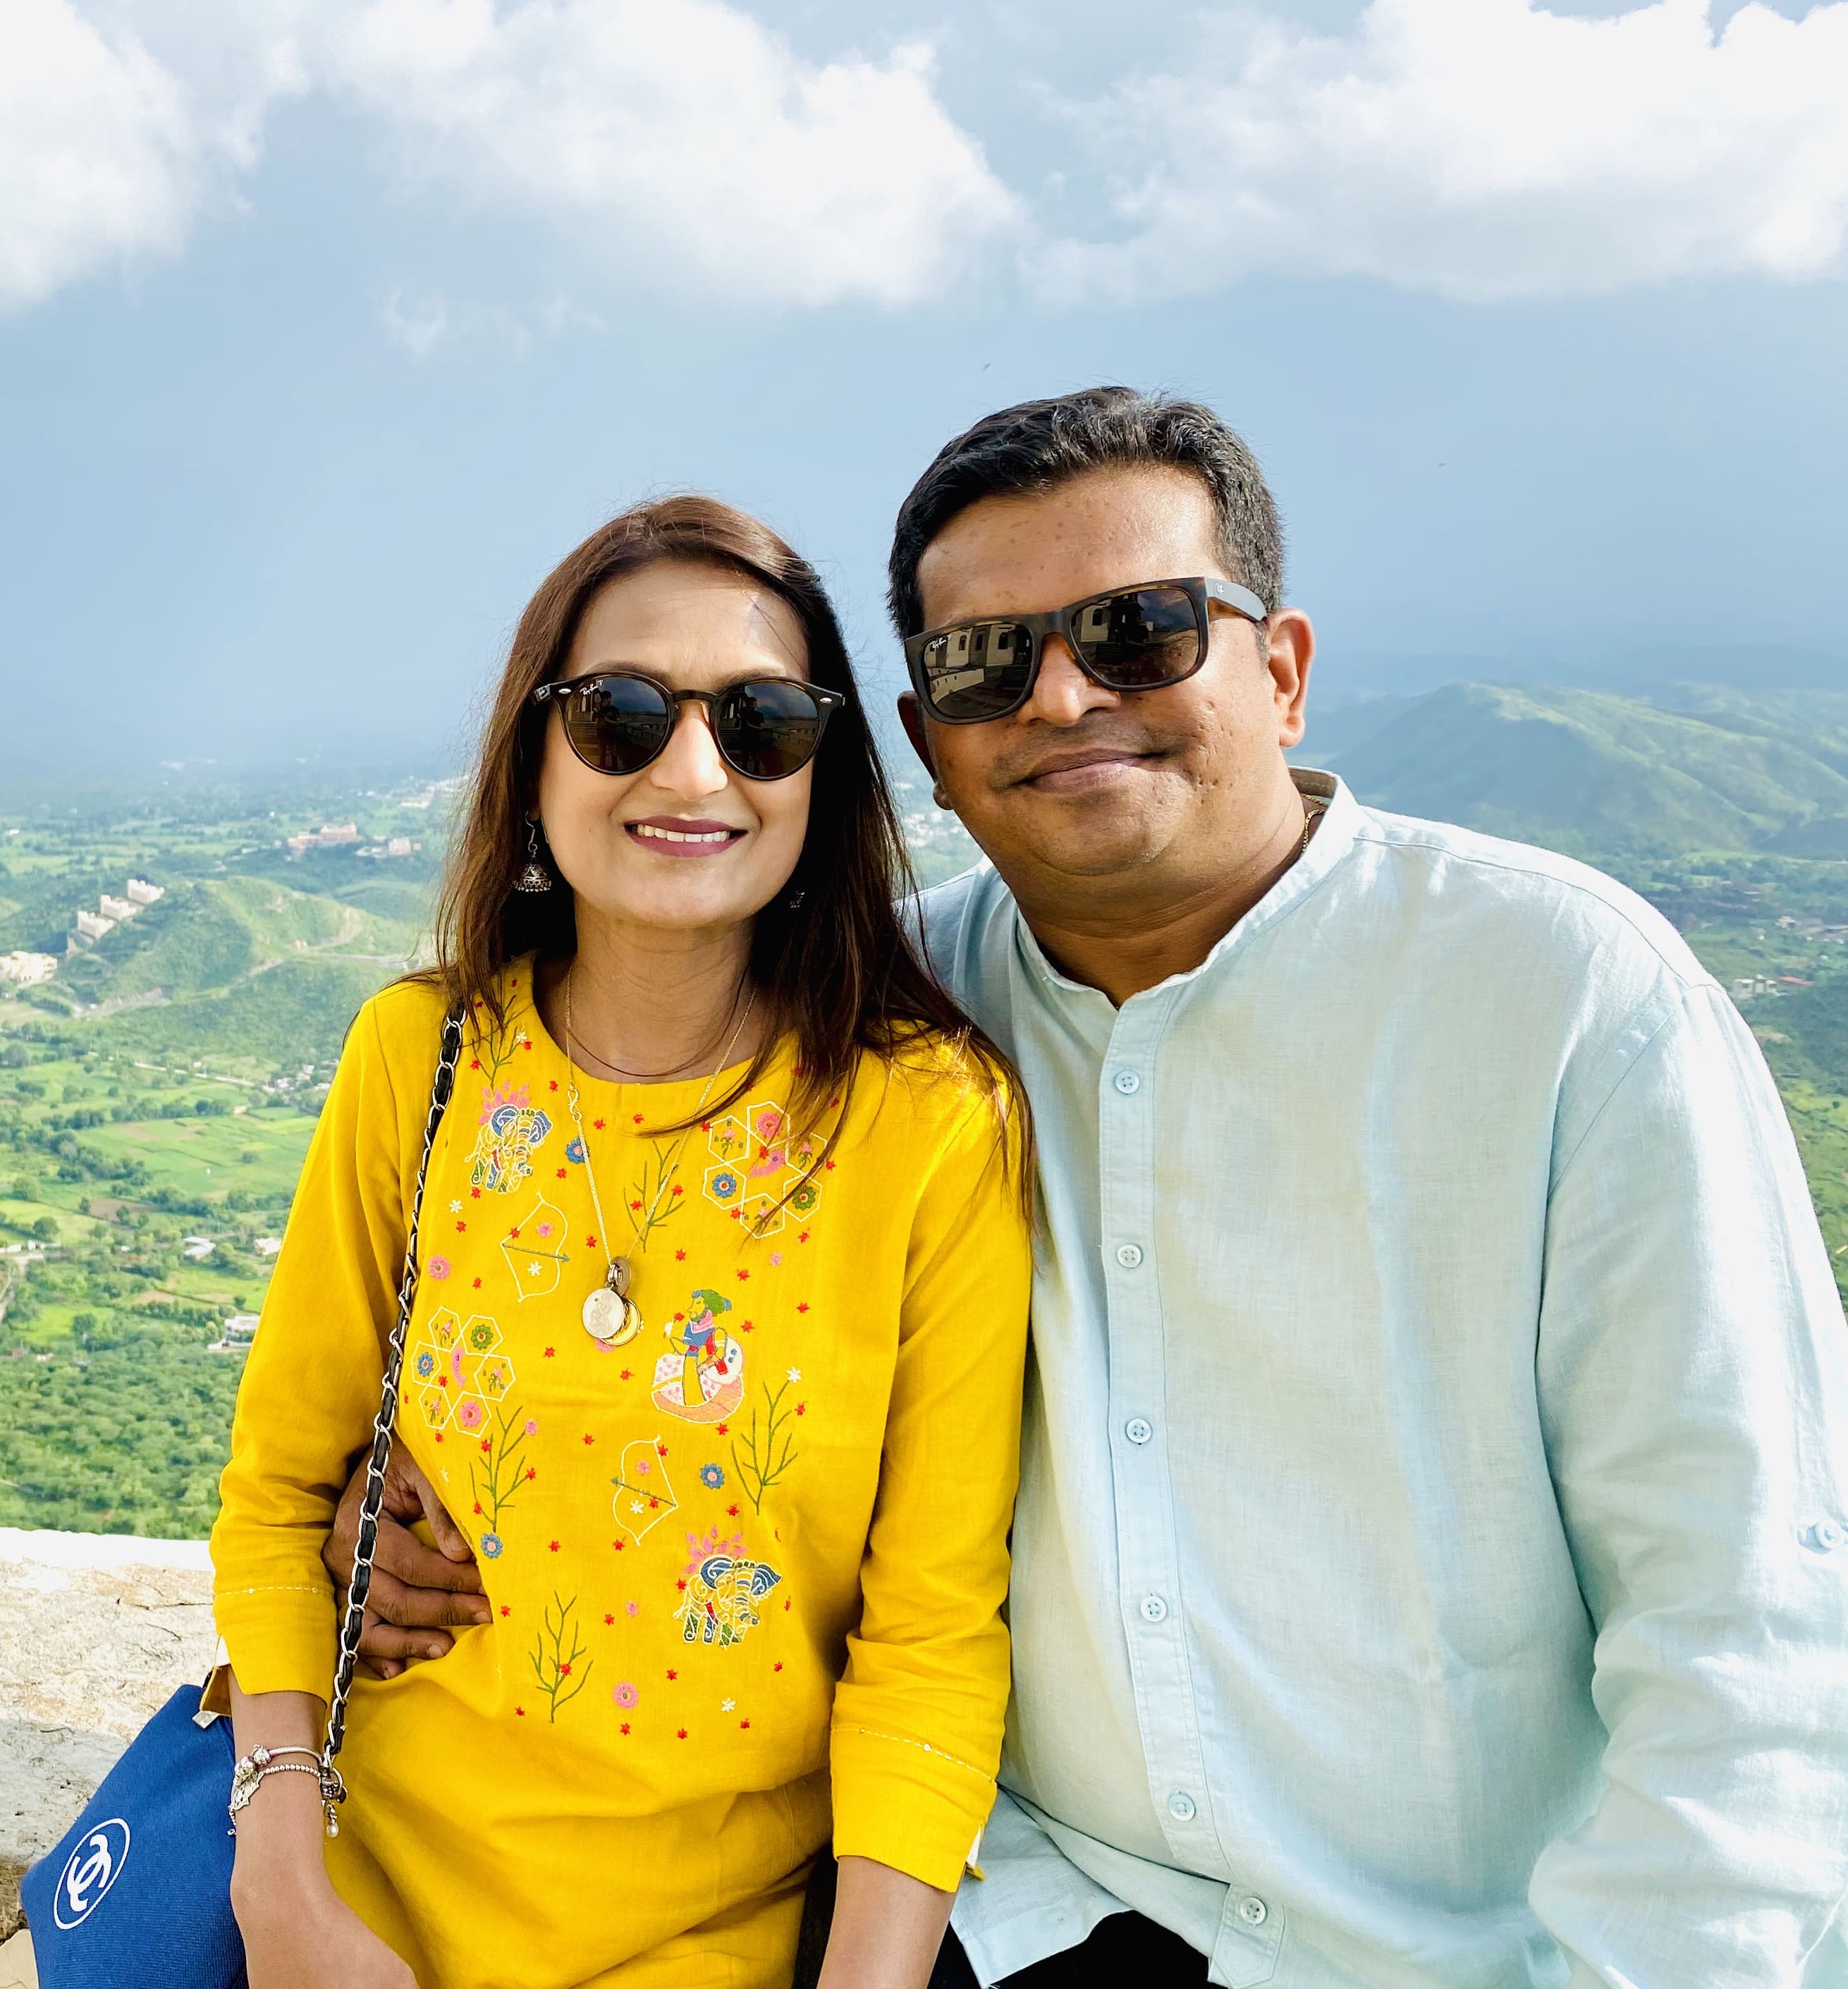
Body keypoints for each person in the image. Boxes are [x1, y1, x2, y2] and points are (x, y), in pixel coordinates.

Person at [343, 390, 1848, 1987]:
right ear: (928, 745)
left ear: (1283, 670)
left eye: (1139, 632)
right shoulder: (886, 1041)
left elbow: (1752, 1617)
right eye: (988, 663)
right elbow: (619, 1319)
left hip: (1472, 1950)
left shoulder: (1561, 1000)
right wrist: (382, 1514)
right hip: (1030, 1916)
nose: (1063, 696)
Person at [209, 496, 1036, 1989]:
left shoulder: (929, 1124)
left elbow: (930, 1638)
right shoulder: (426, 1055)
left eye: (765, 723)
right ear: (534, 757)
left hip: (708, 1941)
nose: (694, 769)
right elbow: (276, 1499)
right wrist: (283, 1886)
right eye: (624, 715)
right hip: (352, 1900)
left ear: (823, 773)